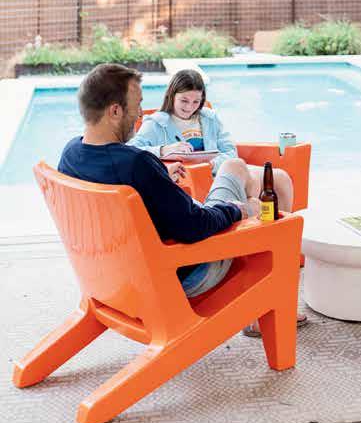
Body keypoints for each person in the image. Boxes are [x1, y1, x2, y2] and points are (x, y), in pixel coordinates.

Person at [58, 64, 260, 298]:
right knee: (238, 174)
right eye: (137, 105)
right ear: (115, 111)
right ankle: (260, 290)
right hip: (181, 273)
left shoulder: (70, 154)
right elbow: (195, 227)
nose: (140, 114)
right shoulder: (137, 164)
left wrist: (160, 178)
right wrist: (237, 210)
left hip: (110, 279)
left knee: (236, 178)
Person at [130, 68, 294, 211]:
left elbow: (230, 151)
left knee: (280, 177)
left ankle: (281, 230)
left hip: (219, 169)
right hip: (191, 178)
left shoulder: (209, 118)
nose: (189, 107)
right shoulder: (156, 122)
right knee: (252, 187)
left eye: (196, 101)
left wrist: (212, 164)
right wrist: (164, 149)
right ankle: (248, 224)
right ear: (171, 96)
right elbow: (131, 151)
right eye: (184, 101)